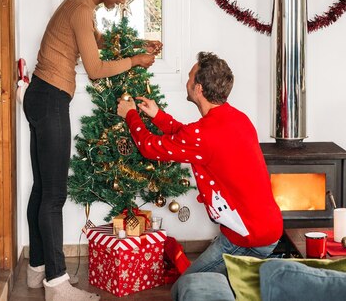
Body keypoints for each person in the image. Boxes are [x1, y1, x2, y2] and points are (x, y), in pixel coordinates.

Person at [23, 0, 161, 301]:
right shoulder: (81, 9)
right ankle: (57, 284)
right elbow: (97, 70)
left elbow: (96, 45)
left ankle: (37, 268)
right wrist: (135, 62)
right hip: (50, 99)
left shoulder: (78, 5)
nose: (121, 2)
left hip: (41, 96)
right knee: (53, 195)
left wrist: (136, 48)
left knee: (41, 190)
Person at [116, 52, 283, 280]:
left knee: (189, 285)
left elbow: (149, 147)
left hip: (248, 236)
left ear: (199, 89)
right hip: (267, 227)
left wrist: (131, 115)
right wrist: (158, 116)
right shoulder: (237, 118)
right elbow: (190, 138)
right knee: (221, 286)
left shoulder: (202, 134)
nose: (187, 82)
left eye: (190, 77)